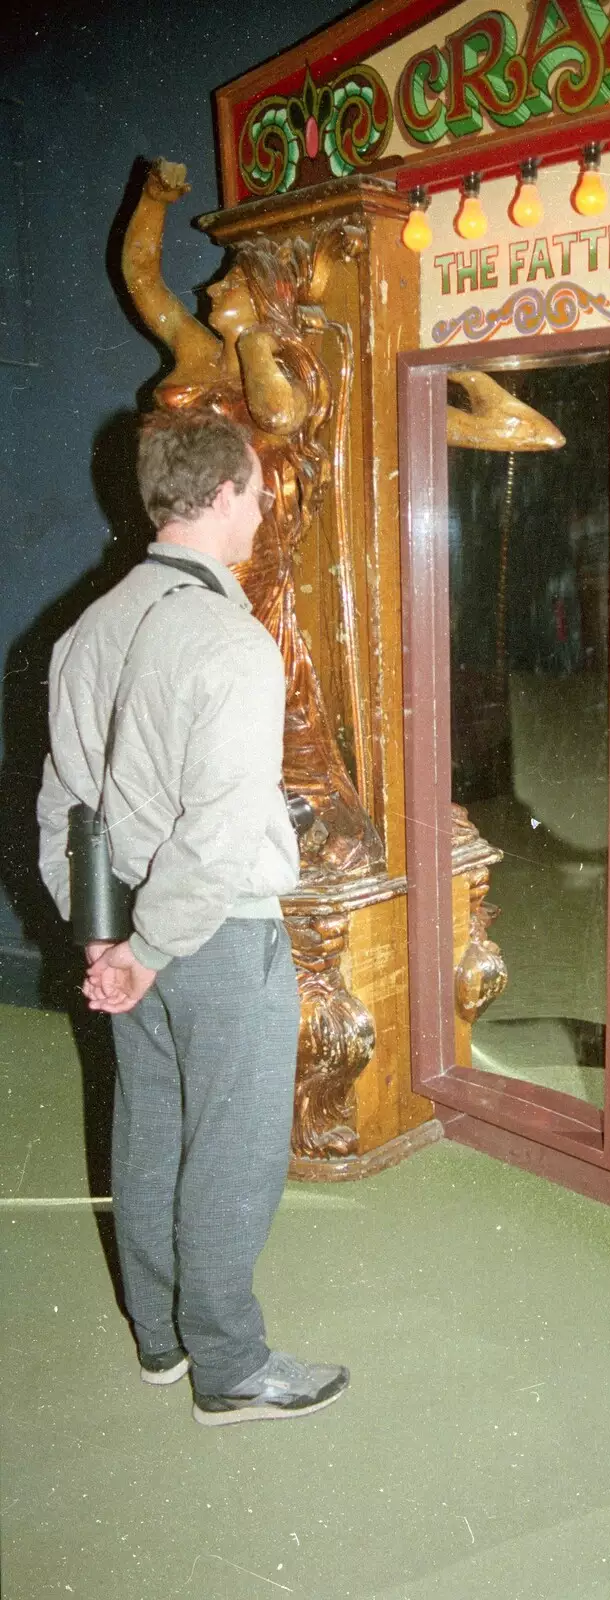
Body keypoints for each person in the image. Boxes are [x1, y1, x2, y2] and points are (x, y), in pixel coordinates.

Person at [37, 410, 350, 1424]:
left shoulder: (89, 628)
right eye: (257, 493)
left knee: (151, 1127)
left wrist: (109, 943)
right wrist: (156, 947)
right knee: (233, 1148)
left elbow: (65, 808)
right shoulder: (231, 641)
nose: (263, 511)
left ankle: (162, 1336)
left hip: (125, 924)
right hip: (214, 936)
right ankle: (230, 1365)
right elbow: (215, 836)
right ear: (221, 498)